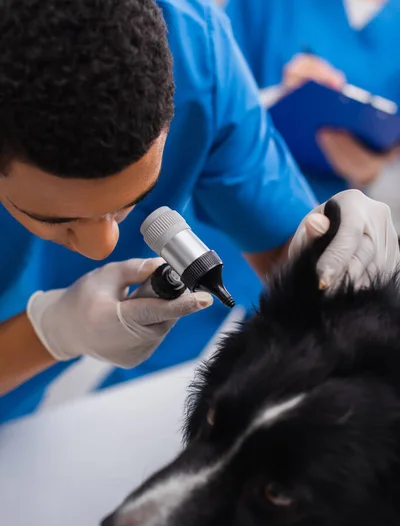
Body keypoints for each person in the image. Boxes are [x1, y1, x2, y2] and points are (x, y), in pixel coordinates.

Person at [0, 0, 398, 424]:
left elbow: (298, 267)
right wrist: (50, 333)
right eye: (55, 219)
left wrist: (341, 254)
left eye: (131, 203)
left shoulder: (197, 59)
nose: (103, 248)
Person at [225, 0, 400, 204]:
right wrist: (280, 95)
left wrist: (372, 174)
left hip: (340, 218)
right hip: (236, 203)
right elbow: (211, 102)